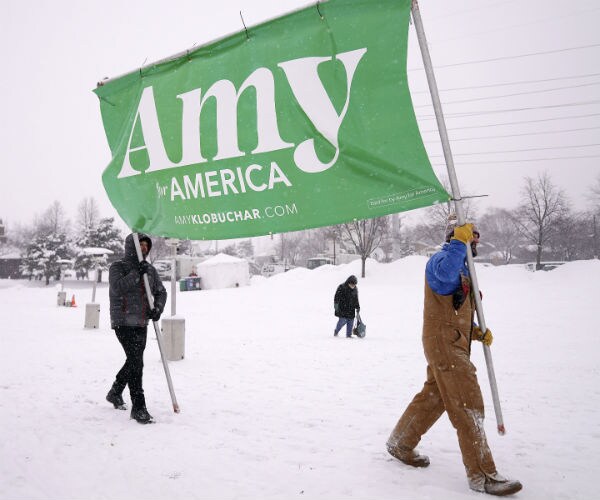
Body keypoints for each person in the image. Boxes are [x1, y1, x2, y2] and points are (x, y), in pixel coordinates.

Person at [386, 222, 522, 496]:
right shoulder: (441, 261)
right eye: (470, 239)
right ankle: (482, 474)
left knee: (435, 397)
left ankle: (401, 442)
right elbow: (445, 277)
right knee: (467, 403)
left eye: (474, 241)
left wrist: (475, 333)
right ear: (456, 238)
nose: (475, 244)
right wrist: (458, 244)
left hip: (451, 343)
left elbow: (455, 311)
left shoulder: (466, 270)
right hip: (444, 345)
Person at [106, 233, 167, 424]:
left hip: (141, 322)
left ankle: (116, 391)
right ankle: (138, 407)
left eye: (146, 245)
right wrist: (135, 274)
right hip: (123, 321)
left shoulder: (150, 270)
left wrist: (157, 308)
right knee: (136, 362)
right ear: (130, 246)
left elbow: (160, 292)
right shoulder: (118, 266)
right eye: (139, 245)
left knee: (135, 360)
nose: (144, 248)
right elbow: (117, 288)